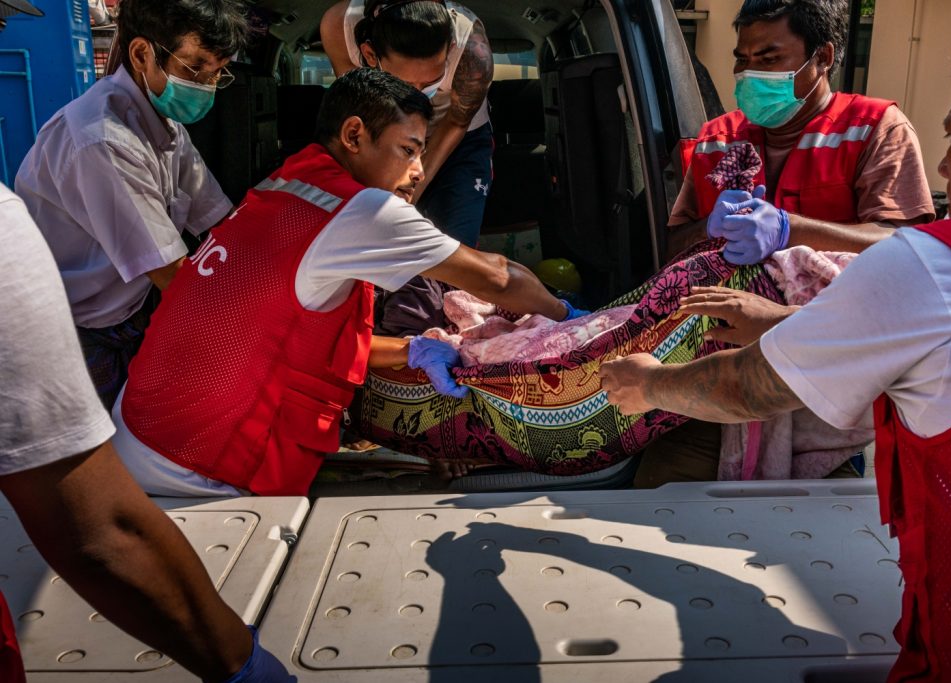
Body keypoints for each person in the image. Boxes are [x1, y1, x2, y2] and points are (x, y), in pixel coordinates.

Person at [600, 11, 951, 680]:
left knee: (787, 561)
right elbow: (904, 337)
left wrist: (644, 383)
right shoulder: (716, 140)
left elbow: (760, 378)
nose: (945, 163)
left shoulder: (900, 189)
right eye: (740, 59)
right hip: (721, 394)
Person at [112, 68, 582, 498]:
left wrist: (411, 349)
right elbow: (498, 277)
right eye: (408, 150)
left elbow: (297, 337)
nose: (419, 172)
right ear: (354, 134)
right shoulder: (359, 210)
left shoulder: (284, 186)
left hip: (144, 430)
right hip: (196, 466)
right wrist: (568, 317)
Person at [0, 178, 292, 682]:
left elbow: (220, 220)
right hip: (86, 325)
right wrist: (239, 663)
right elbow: (100, 527)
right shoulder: (89, 147)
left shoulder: (171, 138)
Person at [636, 0, 935, 487]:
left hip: (818, 395)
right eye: (742, 59)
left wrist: (789, 229)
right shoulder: (716, 140)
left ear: (823, 57)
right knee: (656, 509)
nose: (749, 72)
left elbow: (905, 246)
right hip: (706, 387)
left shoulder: (875, 130)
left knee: (802, 536)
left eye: (769, 59)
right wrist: (709, 226)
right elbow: (669, 248)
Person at [14, 0, 247, 410]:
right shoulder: (102, 139)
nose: (207, 86)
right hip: (80, 330)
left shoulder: (165, 125)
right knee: (105, 447)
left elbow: (222, 221)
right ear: (142, 54)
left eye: (217, 73)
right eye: (196, 69)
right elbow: (171, 274)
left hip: (130, 312)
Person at [321, 0, 492, 248]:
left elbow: (457, 121)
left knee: (452, 243)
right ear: (370, 55)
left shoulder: (472, 50)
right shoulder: (338, 27)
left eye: (432, 82)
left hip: (457, 136)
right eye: (407, 84)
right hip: (384, 129)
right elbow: (359, 104)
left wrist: (407, 199)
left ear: (450, 48)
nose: (420, 96)